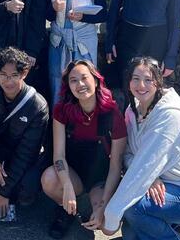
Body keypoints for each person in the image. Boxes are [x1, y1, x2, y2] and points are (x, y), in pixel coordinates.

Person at [102, 57, 180, 240]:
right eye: (136, 78)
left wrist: (111, 215)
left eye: (148, 79)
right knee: (131, 233)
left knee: (132, 208)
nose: (141, 85)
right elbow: (130, 155)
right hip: (163, 183)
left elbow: (145, 165)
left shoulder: (169, 116)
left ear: (158, 82)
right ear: (129, 81)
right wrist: (152, 177)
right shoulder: (133, 111)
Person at [41, 60, 126, 239]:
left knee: (108, 226)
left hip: (100, 178)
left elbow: (116, 164)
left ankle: (94, 205)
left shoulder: (112, 113)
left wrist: (102, 206)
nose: (80, 84)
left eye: (84, 78)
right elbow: (59, 156)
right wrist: (67, 185)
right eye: (73, 80)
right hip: (73, 174)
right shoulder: (62, 111)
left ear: (95, 81)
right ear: (68, 86)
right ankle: (68, 209)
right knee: (49, 179)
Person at [0, 47, 49, 220]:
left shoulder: (37, 106)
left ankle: (7, 193)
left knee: (28, 186)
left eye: (14, 75)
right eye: (3, 75)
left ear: (24, 73)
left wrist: (4, 193)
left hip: (22, 156)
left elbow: (27, 152)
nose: (8, 81)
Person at [46, 0, 108, 105]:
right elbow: (47, 15)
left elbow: (103, 14)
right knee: (58, 86)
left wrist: (83, 17)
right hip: (58, 43)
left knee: (86, 88)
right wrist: (54, 7)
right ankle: (59, 129)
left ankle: (84, 128)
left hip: (84, 43)